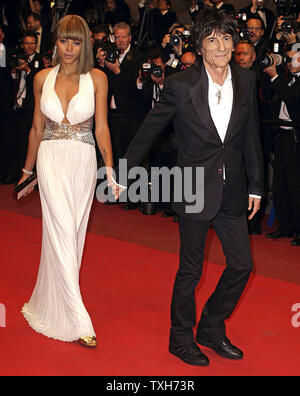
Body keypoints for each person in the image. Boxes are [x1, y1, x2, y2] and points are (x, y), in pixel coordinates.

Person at [114, 8, 264, 366]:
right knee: (191, 270)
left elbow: (251, 137)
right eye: (212, 39)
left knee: (242, 265)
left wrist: (256, 186)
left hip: (233, 189)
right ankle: (179, 337)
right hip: (192, 186)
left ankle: (211, 327)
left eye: (227, 38)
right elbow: (151, 130)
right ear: (199, 45)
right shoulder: (181, 85)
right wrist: (124, 173)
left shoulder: (246, 79)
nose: (221, 46)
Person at [19, 14, 115, 347]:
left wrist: (110, 168)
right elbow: (36, 127)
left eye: (76, 41)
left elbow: (101, 127)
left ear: (85, 43)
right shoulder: (41, 77)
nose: (69, 48)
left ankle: (51, 303)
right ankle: (78, 319)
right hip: (49, 159)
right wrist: (27, 172)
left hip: (83, 160)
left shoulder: (98, 78)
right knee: (60, 226)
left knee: (72, 233)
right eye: (63, 40)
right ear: (55, 42)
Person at [264, 46, 300, 247]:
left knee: (296, 185)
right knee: (280, 183)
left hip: (297, 136)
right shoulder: (287, 78)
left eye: (295, 59)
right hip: (282, 136)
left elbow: (293, 99)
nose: (289, 63)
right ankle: (284, 226)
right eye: (289, 59)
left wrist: (276, 77)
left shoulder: (290, 81)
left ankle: (298, 229)